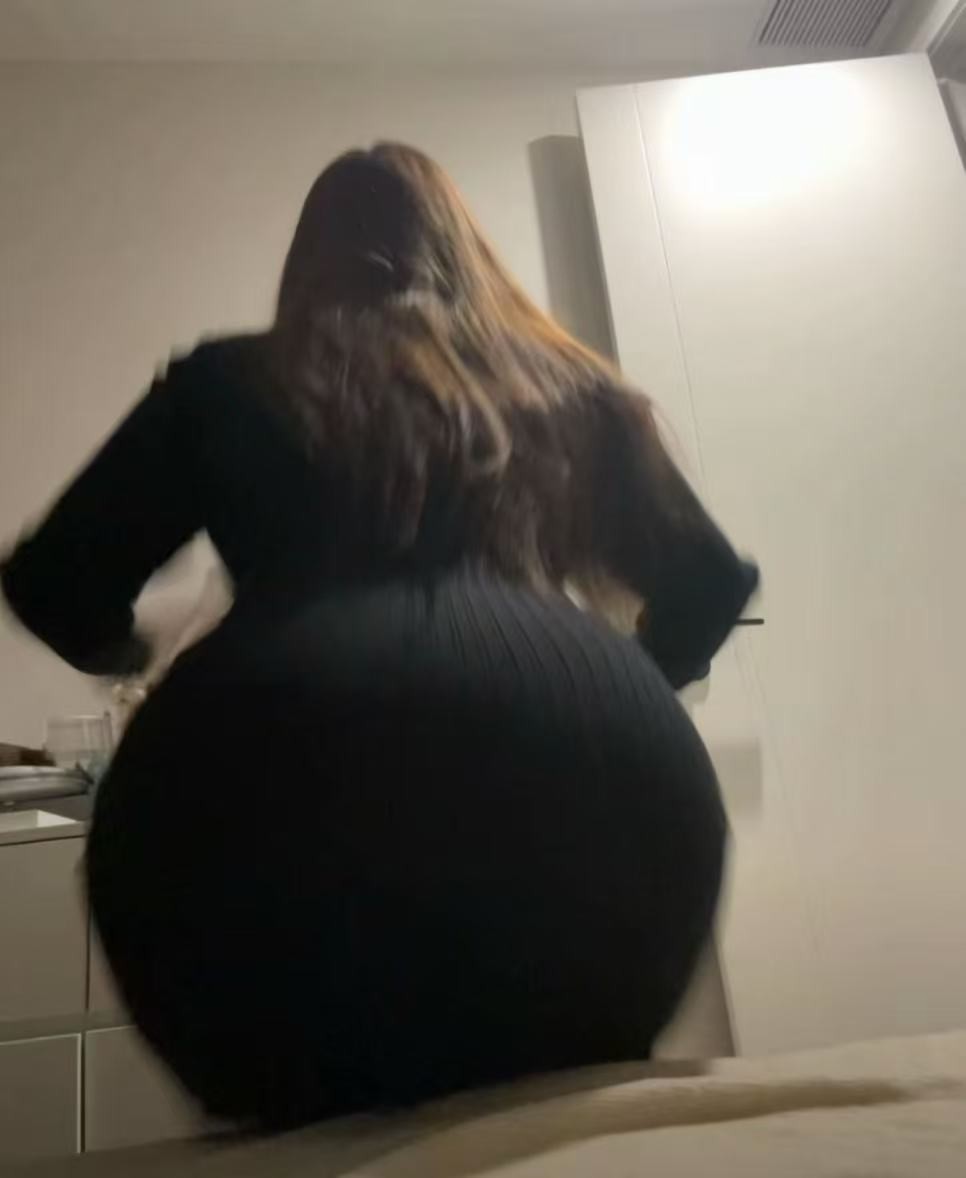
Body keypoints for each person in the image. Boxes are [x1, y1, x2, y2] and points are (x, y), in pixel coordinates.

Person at [1, 144, 758, 1128]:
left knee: (304, 1101)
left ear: (310, 265)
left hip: (257, 800)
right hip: (599, 811)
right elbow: (709, 582)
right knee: (560, 1106)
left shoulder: (229, 381)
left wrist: (142, 656)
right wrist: (621, 685)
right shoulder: (576, 389)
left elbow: (54, 583)